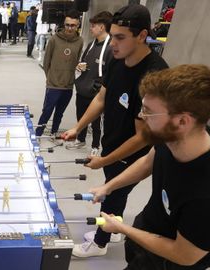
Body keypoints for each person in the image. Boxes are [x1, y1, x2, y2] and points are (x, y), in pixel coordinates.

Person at [90, 64, 210, 269]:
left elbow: (184, 255)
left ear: (182, 121)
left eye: (148, 112)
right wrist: (108, 187)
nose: (142, 117)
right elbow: (149, 161)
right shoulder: (171, 136)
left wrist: (122, 228)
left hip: (170, 260)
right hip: (150, 229)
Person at [62, 4, 168, 258]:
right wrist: (78, 127)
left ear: (142, 36)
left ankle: (100, 242)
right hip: (113, 142)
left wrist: (103, 161)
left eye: (120, 38)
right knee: (114, 192)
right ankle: (115, 227)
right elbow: (101, 97)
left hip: (133, 153)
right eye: (112, 37)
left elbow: (143, 137)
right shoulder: (117, 59)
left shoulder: (153, 75)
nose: (113, 44)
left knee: (113, 193)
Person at [66, 11, 113, 156]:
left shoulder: (110, 47)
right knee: (81, 115)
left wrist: (99, 89)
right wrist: (80, 66)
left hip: (96, 91)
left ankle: (95, 145)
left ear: (102, 27)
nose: (91, 29)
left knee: (95, 120)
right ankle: (81, 139)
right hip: (83, 87)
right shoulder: (92, 44)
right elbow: (84, 60)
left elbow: (110, 72)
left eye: (93, 26)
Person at [34, 10, 84, 138]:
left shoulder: (80, 41)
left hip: (68, 85)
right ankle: (38, 134)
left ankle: (54, 133)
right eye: (67, 25)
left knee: (60, 112)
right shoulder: (54, 39)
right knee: (47, 111)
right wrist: (51, 78)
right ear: (64, 24)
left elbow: (76, 61)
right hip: (53, 84)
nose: (69, 28)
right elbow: (46, 62)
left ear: (77, 25)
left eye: (73, 25)